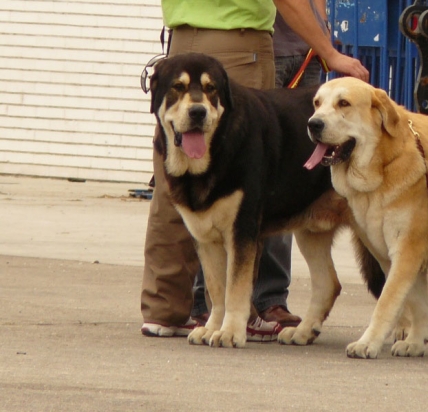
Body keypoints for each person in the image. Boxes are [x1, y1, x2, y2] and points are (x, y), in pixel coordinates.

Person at [141, 0, 368, 339]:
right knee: (257, 178)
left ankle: (169, 311)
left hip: (182, 39)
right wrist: (328, 50)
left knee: (177, 186)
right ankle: (251, 309)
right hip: (237, 45)